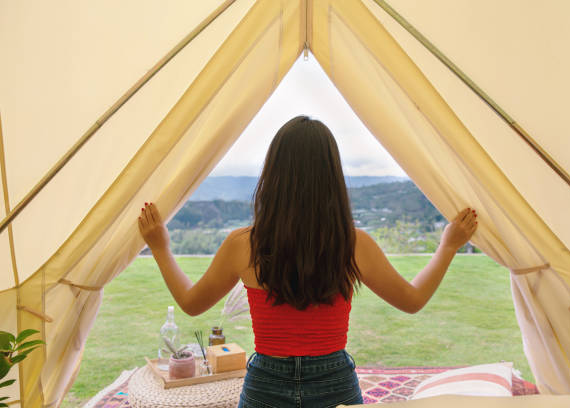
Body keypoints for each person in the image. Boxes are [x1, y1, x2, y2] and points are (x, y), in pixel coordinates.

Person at [137, 115, 477, 407]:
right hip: (335, 383)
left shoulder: (244, 245)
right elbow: (413, 300)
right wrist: (447, 246)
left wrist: (161, 247)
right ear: (332, 177)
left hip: (265, 385)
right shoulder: (354, 244)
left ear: (273, 174)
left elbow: (191, 303)